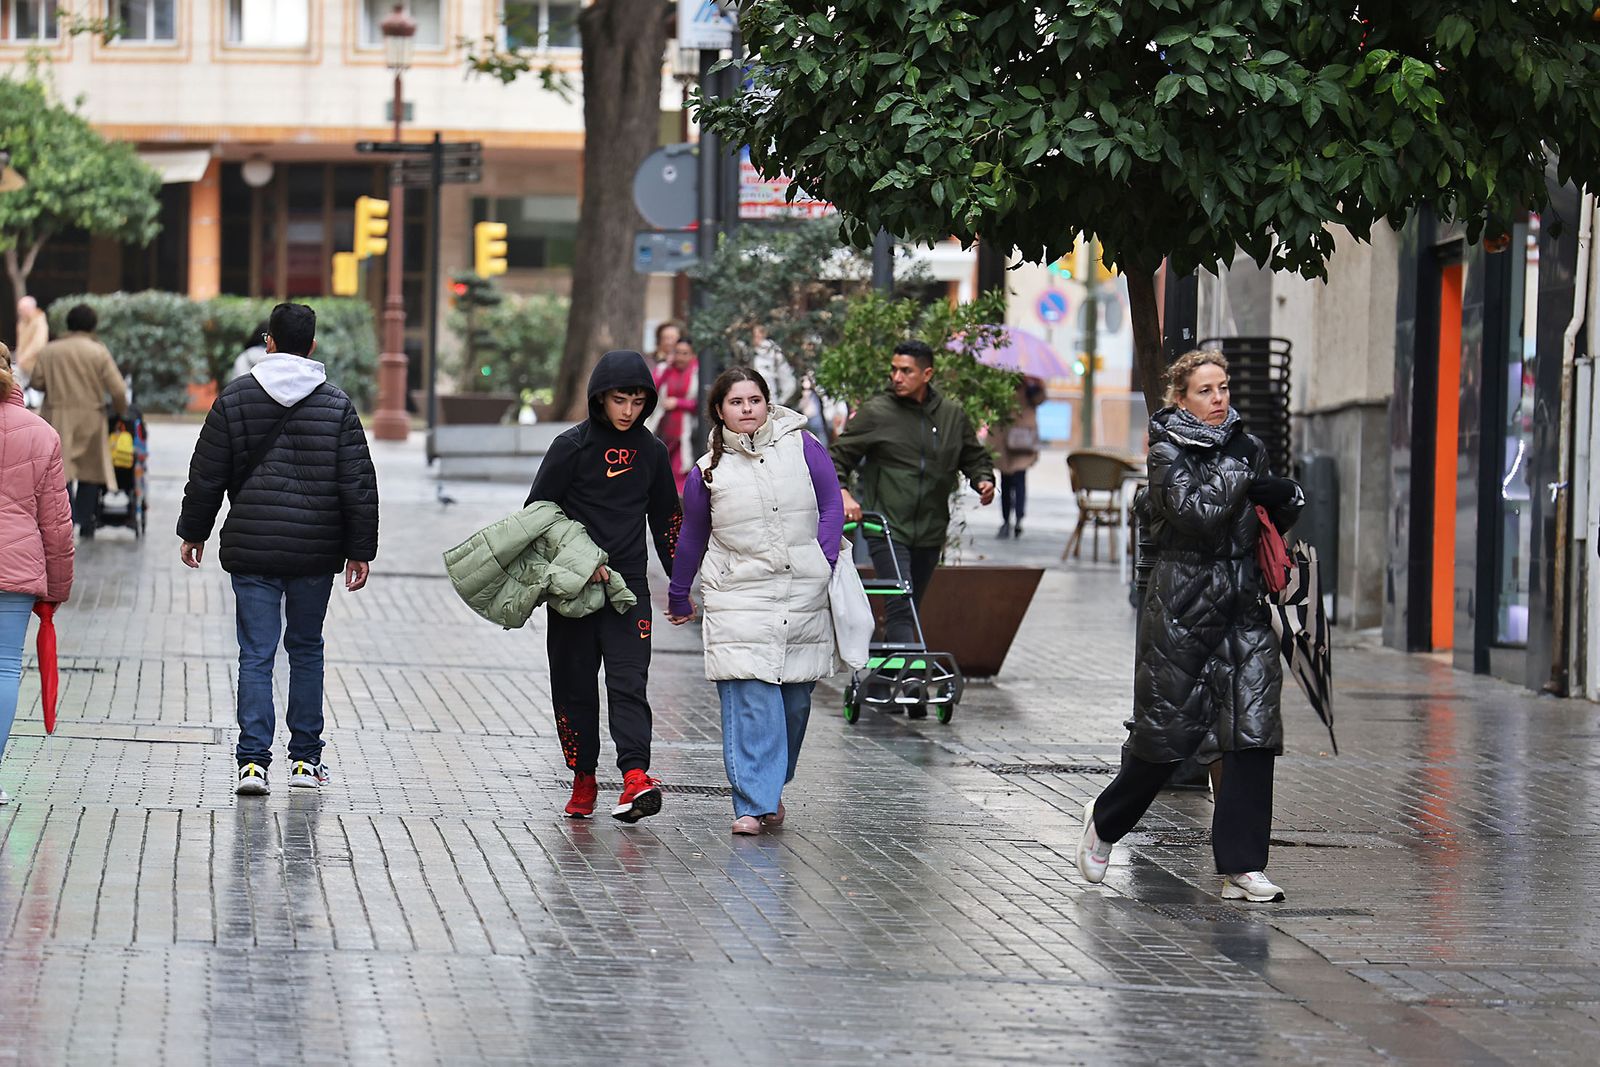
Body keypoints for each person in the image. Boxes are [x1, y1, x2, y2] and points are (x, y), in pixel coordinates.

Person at [1076, 350, 1302, 903]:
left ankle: (1242, 867)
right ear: (1181, 398)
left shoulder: (1247, 446)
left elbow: (1259, 518)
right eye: (1205, 390)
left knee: (1250, 734)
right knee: (1165, 738)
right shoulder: (1167, 450)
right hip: (1182, 610)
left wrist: (1287, 498)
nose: (1219, 398)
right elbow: (1195, 515)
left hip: (1244, 609)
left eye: (1223, 387)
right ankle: (1105, 820)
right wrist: (1244, 476)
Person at [176, 302, 379, 797]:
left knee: (256, 653)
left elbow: (207, 474)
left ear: (268, 341)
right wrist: (360, 549)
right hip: (315, 550)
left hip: (253, 547)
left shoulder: (235, 398)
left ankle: (252, 763)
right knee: (306, 649)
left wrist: (194, 531)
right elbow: (357, 483)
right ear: (312, 346)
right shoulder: (336, 404)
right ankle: (305, 761)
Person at [666, 367, 843, 834]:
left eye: (754, 400)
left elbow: (831, 505)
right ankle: (751, 802)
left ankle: (770, 788)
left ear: (768, 403)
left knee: (794, 704)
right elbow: (693, 535)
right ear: (719, 411)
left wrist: (822, 561)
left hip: (801, 592)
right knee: (751, 702)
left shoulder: (803, 446)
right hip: (738, 595)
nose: (746, 409)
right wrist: (679, 593)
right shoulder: (707, 471)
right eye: (736, 402)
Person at [525, 350, 681, 823]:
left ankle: (635, 776)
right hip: (574, 589)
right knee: (573, 685)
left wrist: (682, 584)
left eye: (638, 401)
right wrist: (580, 560)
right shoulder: (570, 447)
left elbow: (667, 521)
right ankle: (583, 776)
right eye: (619, 400)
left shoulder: (653, 452)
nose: (628, 411)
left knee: (629, 683)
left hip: (628, 590)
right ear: (599, 398)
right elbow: (537, 514)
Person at [829, 339, 995, 660]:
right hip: (887, 527)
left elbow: (973, 456)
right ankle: (911, 678)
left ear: (927, 374)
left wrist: (983, 479)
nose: (897, 377)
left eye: (906, 371)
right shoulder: (877, 412)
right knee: (901, 603)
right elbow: (837, 457)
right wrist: (843, 492)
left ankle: (885, 675)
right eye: (894, 370)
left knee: (909, 604)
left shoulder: (951, 415)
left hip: (932, 528)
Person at [0, 342, 73, 806]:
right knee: (5, 667)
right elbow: (56, 522)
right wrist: (58, 585)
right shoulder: (41, 433)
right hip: (17, 570)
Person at [30, 304, 128, 540]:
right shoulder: (98, 351)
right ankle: (85, 520)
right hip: (91, 418)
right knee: (90, 471)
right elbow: (118, 389)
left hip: (57, 416)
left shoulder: (50, 351)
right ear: (93, 325)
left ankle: (65, 519)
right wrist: (121, 412)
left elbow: (37, 382)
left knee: (59, 471)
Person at [995, 376, 1046, 539]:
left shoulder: (1031, 385)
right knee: (1008, 482)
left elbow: (1040, 399)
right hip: (1005, 438)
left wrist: (1037, 386)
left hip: (1022, 438)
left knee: (1017, 481)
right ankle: (1008, 520)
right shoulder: (1002, 383)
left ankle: (1016, 519)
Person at [654, 337, 699, 495]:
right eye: (677, 352)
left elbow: (700, 403)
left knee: (680, 471)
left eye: (685, 353)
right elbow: (652, 388)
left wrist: (678, 403)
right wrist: (666, 368)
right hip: (663, 429)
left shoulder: (697, 372)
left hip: (686, 432)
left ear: (692, 355)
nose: (680, 357)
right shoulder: (665, 369)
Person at [13, 297, 47, 379]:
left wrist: (24, 357)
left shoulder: (39, 321)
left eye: (22, 310)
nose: (20, 312)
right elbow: (20, 343)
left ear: (30, 308)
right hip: (23, 365)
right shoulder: (22, 322)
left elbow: (38, 344)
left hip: (35, 365)